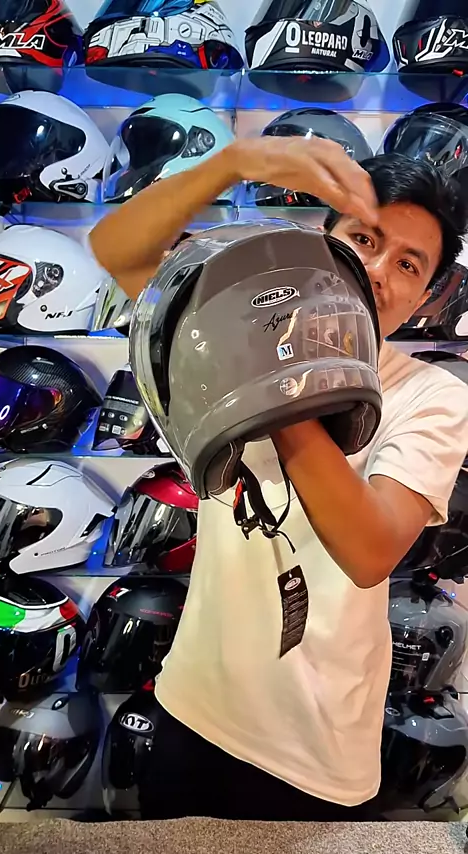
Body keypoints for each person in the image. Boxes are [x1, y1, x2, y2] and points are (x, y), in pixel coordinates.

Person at [90, 137, 468, 822]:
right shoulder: (236, 328)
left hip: (317, 749)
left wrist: (282, 377)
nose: (377, 270)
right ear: (326, 242)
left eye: (408, 263)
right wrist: (233, 163)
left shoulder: (433, 396)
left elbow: (370, 550)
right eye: (364, 239)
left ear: (424, 296)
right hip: (194, 707)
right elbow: (117, 250)